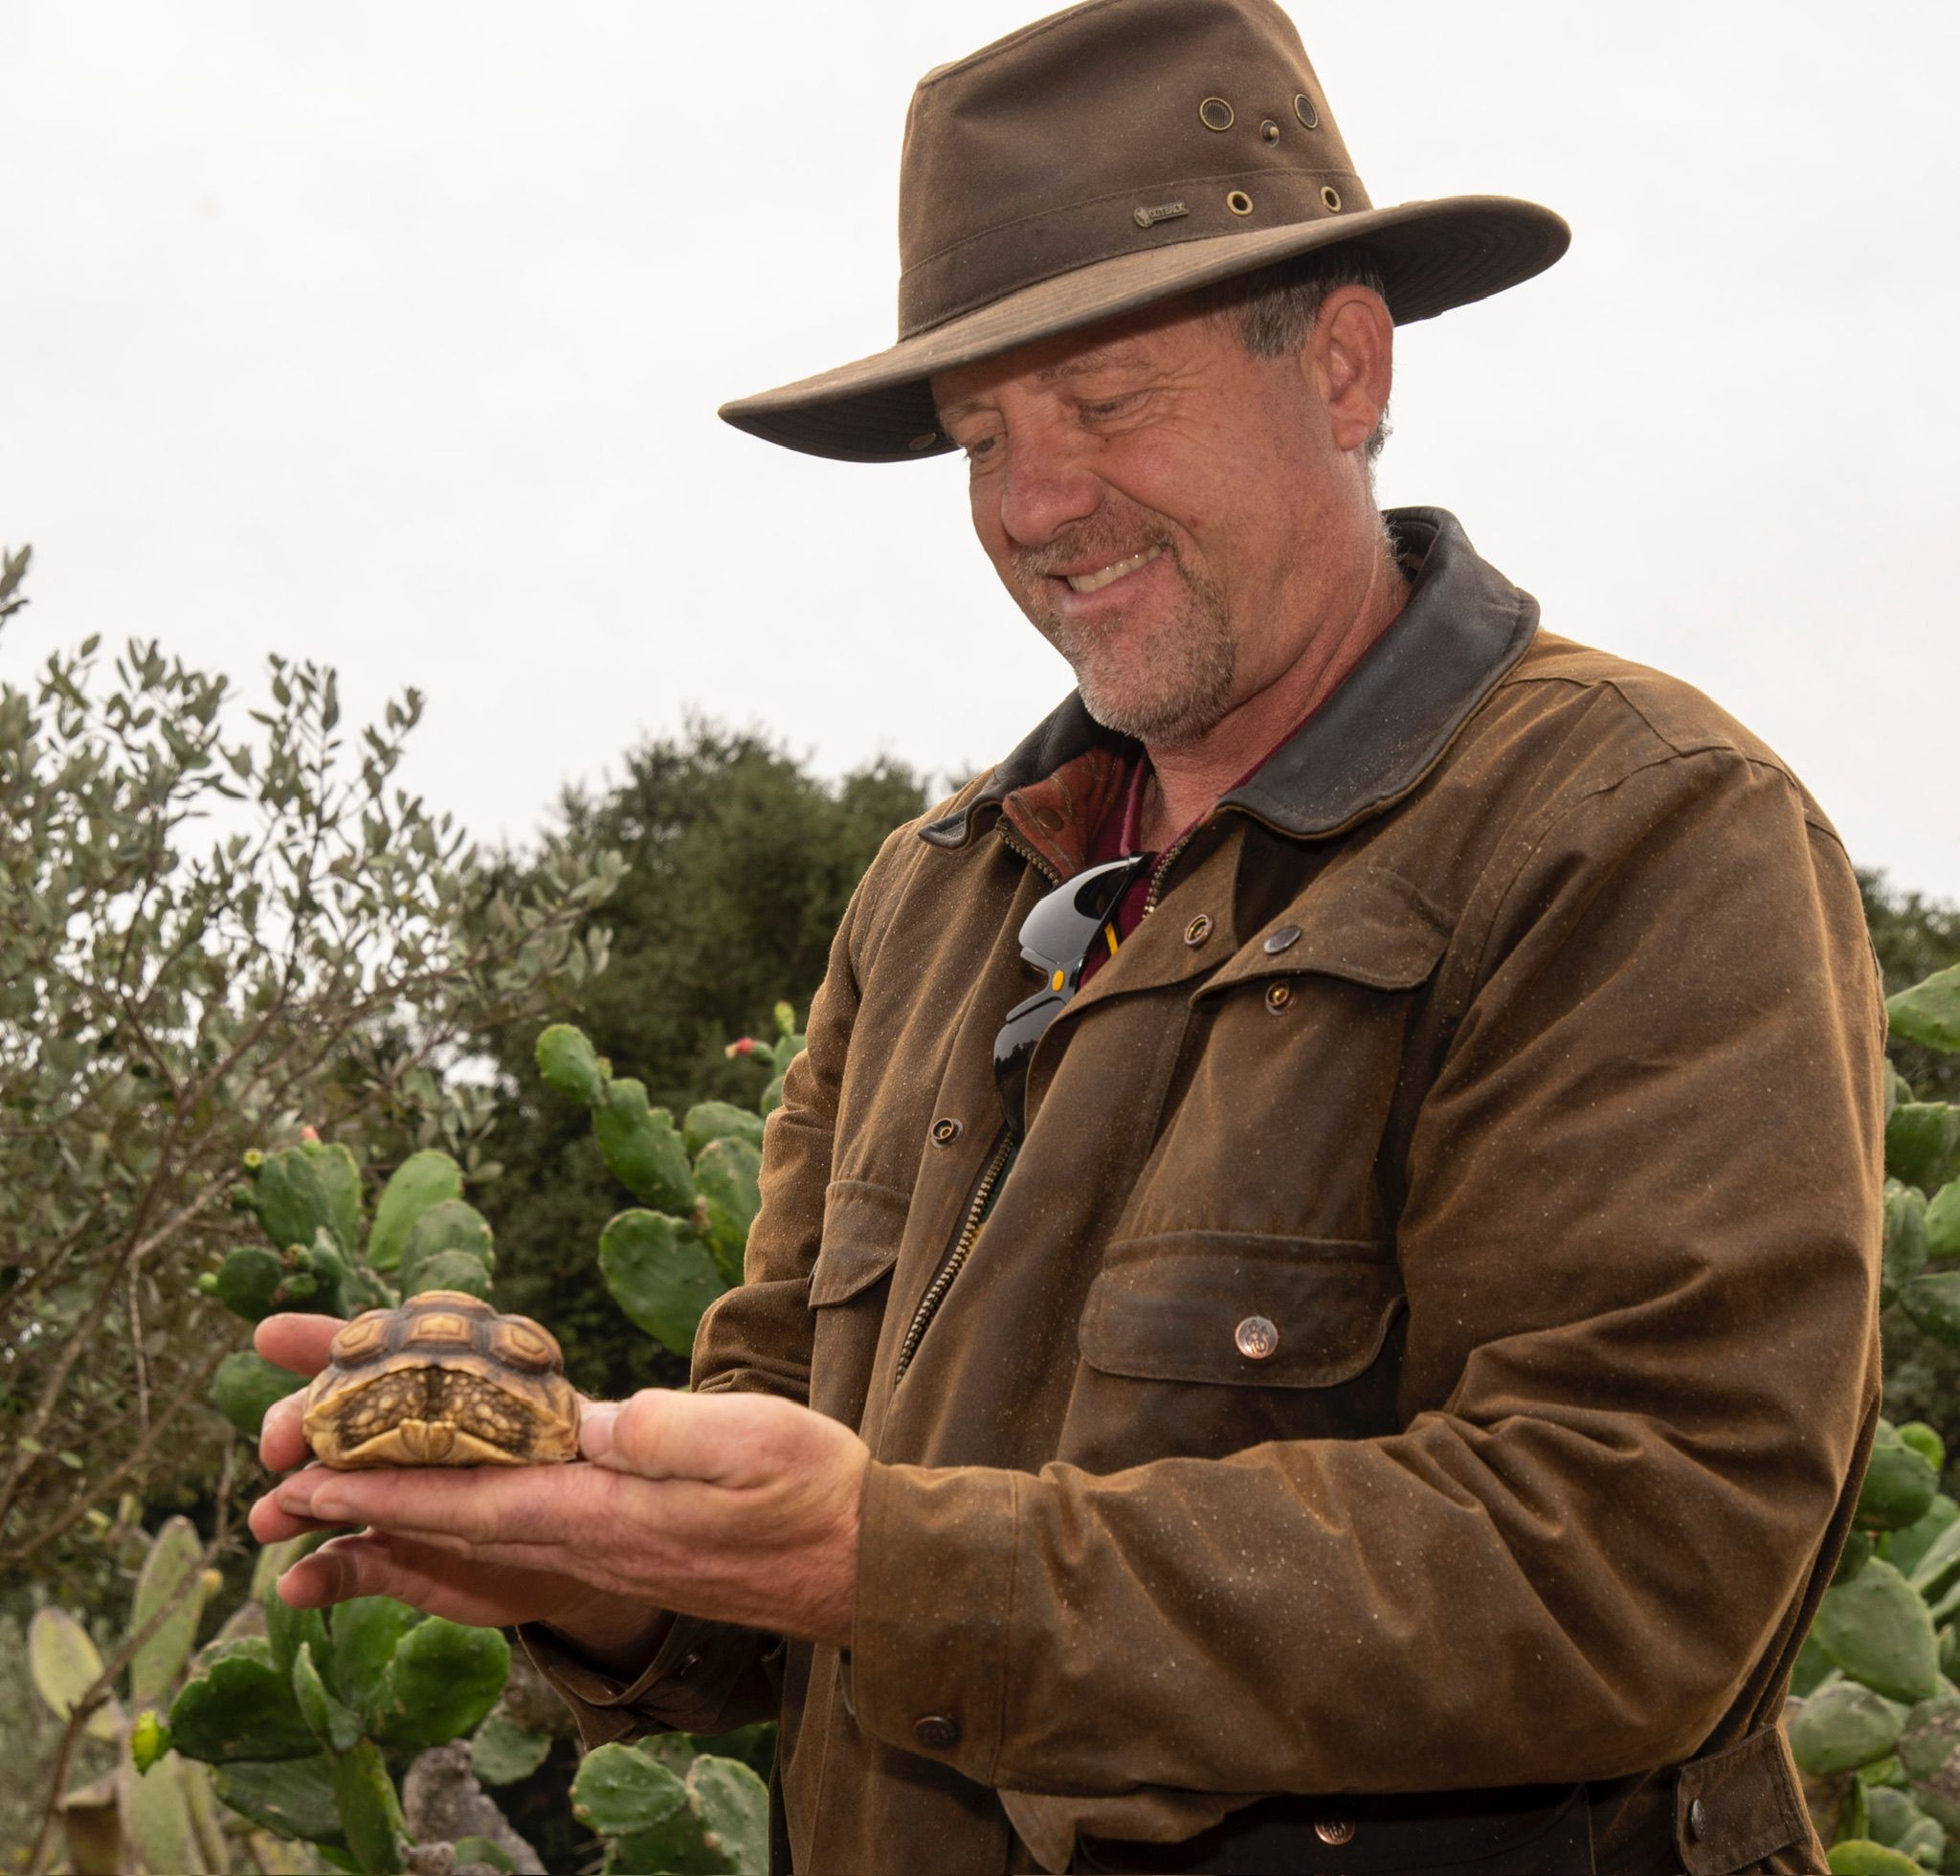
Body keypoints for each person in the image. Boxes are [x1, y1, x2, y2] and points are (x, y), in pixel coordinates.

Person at [251, 1, 1885, 1870]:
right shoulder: (932, 895)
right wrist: (592, 1556)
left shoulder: (1636, 827)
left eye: (1108, 403)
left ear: (1344, 369)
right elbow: (778, 1481)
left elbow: (1630, 1565)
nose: (1033, 507)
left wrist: (885, 1559)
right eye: (979, 436)